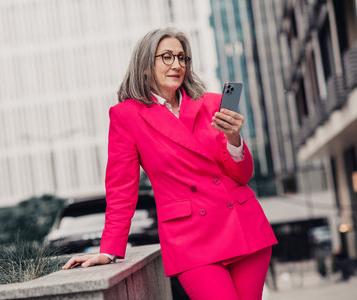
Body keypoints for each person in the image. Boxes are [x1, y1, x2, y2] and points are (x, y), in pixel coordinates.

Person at [62, 28, 278, 300]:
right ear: (144, 66)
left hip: (243, 227)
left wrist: (234, 138)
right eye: (166, 57)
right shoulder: (127, 116)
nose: (177, 65)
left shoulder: (211, 103)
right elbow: (121, 189)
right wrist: (109, 249)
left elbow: (242, 175)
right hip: (191, 241)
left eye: (182, 58)